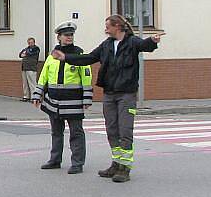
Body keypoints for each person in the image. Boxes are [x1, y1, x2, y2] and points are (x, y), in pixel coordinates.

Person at [52, 14, 164, 183]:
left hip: (126, 94)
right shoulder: (107, 45)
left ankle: (124, 169)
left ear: (117, 27)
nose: (105, 29)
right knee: (112, 130)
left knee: (125, 131)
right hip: (109, 94)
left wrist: (153, 41)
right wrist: (66, 58)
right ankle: (116, 164)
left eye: (108, 26)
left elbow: (144, 45)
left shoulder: (131, 42)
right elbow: (89, 58)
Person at [32, 22, 93, 174]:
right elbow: (44, 76)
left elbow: (86, 76)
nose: (69, 37)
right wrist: (37, 94)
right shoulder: (52, 56)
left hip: (73, 101)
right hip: (54, 101)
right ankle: (55, 160)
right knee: (56, 132)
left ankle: (77, 163)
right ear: (59, 37)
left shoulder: (79, 54)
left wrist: (87, 98)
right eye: (66, 35)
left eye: (71, 35)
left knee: (76, 133)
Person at [18, 37, 41, 102]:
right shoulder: (26, 48)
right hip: (24, 68)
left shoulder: (36, 48)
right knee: (25, 83)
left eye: (31, 42)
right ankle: (26, 96)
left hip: (31, 68)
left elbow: (30, 53)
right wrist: (24, 53)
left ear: (34, 42)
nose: (30, 44)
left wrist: (25, 54)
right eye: (29, 42)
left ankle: (34, 97)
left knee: (32, 83)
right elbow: (20, 54)